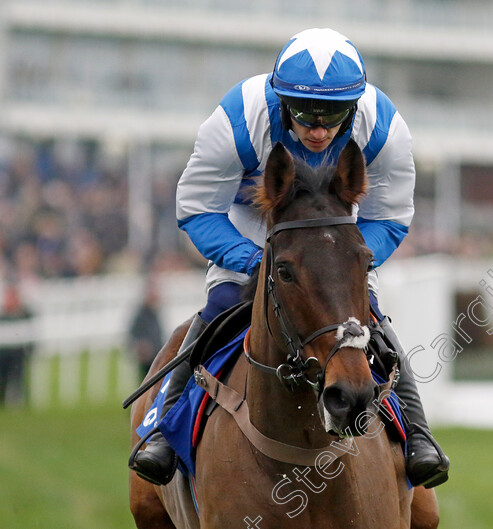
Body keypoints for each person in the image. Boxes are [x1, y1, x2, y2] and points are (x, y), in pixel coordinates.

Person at [131, 28, 449, 488]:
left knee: (370, 321)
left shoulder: (384, 128)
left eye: (334, 115)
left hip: (336, 238)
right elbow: (198, 207)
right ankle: (163, 429)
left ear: (355, 106)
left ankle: (418, 435)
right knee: (221, 307)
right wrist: (253, 261)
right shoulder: (238, 119)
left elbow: (392, 218)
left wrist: (344, 264)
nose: (319, 129)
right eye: (305, 113)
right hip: (251, 229)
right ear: (281, 102)